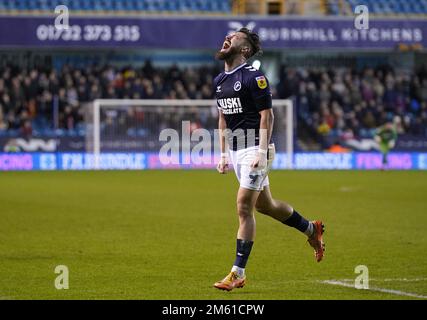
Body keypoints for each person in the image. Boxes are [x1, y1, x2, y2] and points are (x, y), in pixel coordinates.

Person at [213, 28, 325, 291]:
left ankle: (237, 273)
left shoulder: (254, 77)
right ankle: (312, 229)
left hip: (256, 148)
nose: (227, 37)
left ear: (245, 49)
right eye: (226, 34)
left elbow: (268, 116)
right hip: (237, 151)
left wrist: (262, 153)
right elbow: (222, 118)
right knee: (267, 206)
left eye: (234, 36)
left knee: (243, 207)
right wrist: (222, 153)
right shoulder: (219, 80)